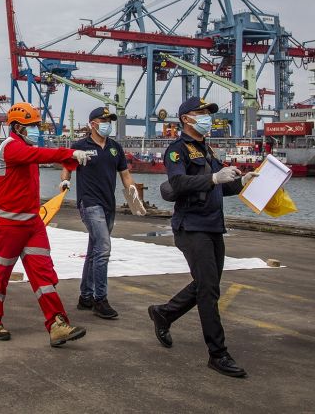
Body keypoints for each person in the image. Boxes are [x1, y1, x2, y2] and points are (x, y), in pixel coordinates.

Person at [147, 97, 258, 378]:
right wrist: (214, 179)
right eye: (201, 113)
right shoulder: (177, 150)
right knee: (209, 290)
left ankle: (165, 313)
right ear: (186, 118)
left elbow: (222, 187)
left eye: (209, 113)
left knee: (207, 285)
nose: (207, 117)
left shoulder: (206, 150)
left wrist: (241, 181)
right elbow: (178, 183)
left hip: (213, 226)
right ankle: (218, 354)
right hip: (191, 226)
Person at [0, 102, 91, 347]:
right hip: (8, 227)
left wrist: (71, 162)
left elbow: (42, 155)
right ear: (18, 127)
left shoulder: (25, 147)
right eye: (33, 126)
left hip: (32, 225)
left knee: (44, 274)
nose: (37, 131)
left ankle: (57, 324)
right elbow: (41, 154)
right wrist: (69, 153)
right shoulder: (10, 147)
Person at [59, 106, 142, 320]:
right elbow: (67, 166)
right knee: (103, 249)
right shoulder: (80, 146)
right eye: (104, 120)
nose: (108, 124)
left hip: (108, 204)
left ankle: (85, 297)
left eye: (110, 120)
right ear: (93, 123)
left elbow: (125, 175)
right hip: (89, 203)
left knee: (95, 249)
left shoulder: (115, 148)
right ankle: (100, 299)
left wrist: (135, 201)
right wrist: (65, 181)